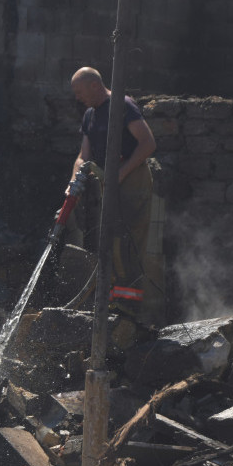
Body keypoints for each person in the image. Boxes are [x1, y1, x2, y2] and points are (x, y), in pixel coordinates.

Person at [67, 66, 159, 320]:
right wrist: (74, 181)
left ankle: (131, 310)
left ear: (95, 86)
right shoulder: (89, 115)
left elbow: (148, 143)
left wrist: (121, 173)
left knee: (127, 242)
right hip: (108, 182)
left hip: (132, 180)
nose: (77, 97)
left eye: (80, 91)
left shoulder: (123, 105)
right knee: (109, 239)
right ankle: (114, 302)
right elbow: (83, 155)